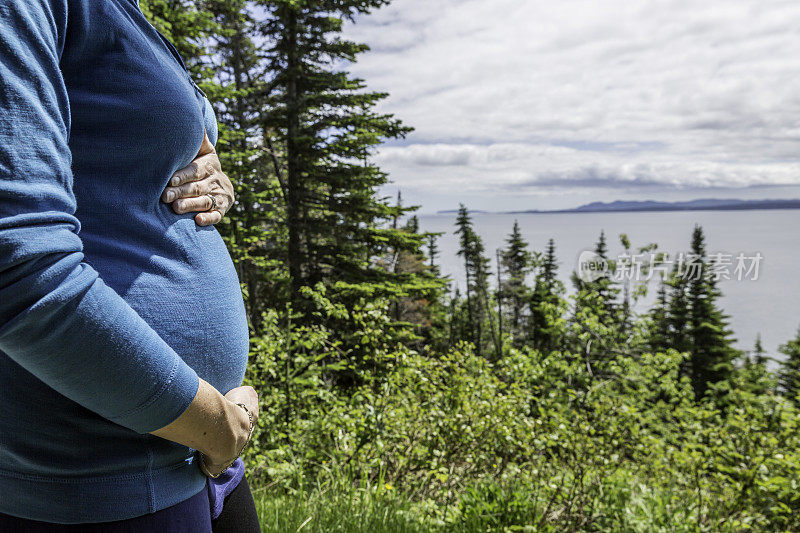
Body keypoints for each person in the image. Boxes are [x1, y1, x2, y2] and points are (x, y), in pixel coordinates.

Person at [0, 0, 262, 531]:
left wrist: (207, 157)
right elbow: (21, 272)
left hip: (185, 457)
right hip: (100, 481)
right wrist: (214, 427)